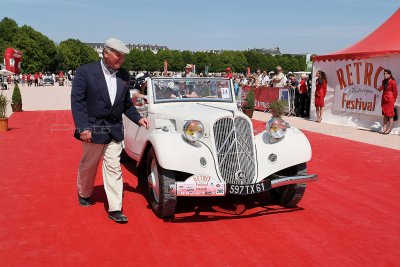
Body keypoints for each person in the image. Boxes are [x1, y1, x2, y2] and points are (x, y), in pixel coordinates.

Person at [71, 37, 150, 223]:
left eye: (123, 56)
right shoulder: (85, 72)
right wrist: (83, 127)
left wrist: (139, 119)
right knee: (88, 165)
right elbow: (78, 102)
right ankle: (84, 193)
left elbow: (126, 105)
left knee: (114, 168)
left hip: (114, 130)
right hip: (92, 129)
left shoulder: (124, 75)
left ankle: (115, 208)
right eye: (118, 55)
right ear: (106, 53)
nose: (121, 59)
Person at [378, 69, 398, 134]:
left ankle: (389, 129)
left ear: (390, 74)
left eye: (386, 73)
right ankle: (384, 128)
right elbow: (382, 89)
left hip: (390, 99)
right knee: (385, 114)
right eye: (384, 74)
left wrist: (393, 100)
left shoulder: (393, 82)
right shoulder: (383, 81)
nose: (385, 75)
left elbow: (395, 92)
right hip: (384, 99)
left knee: (390, 114)